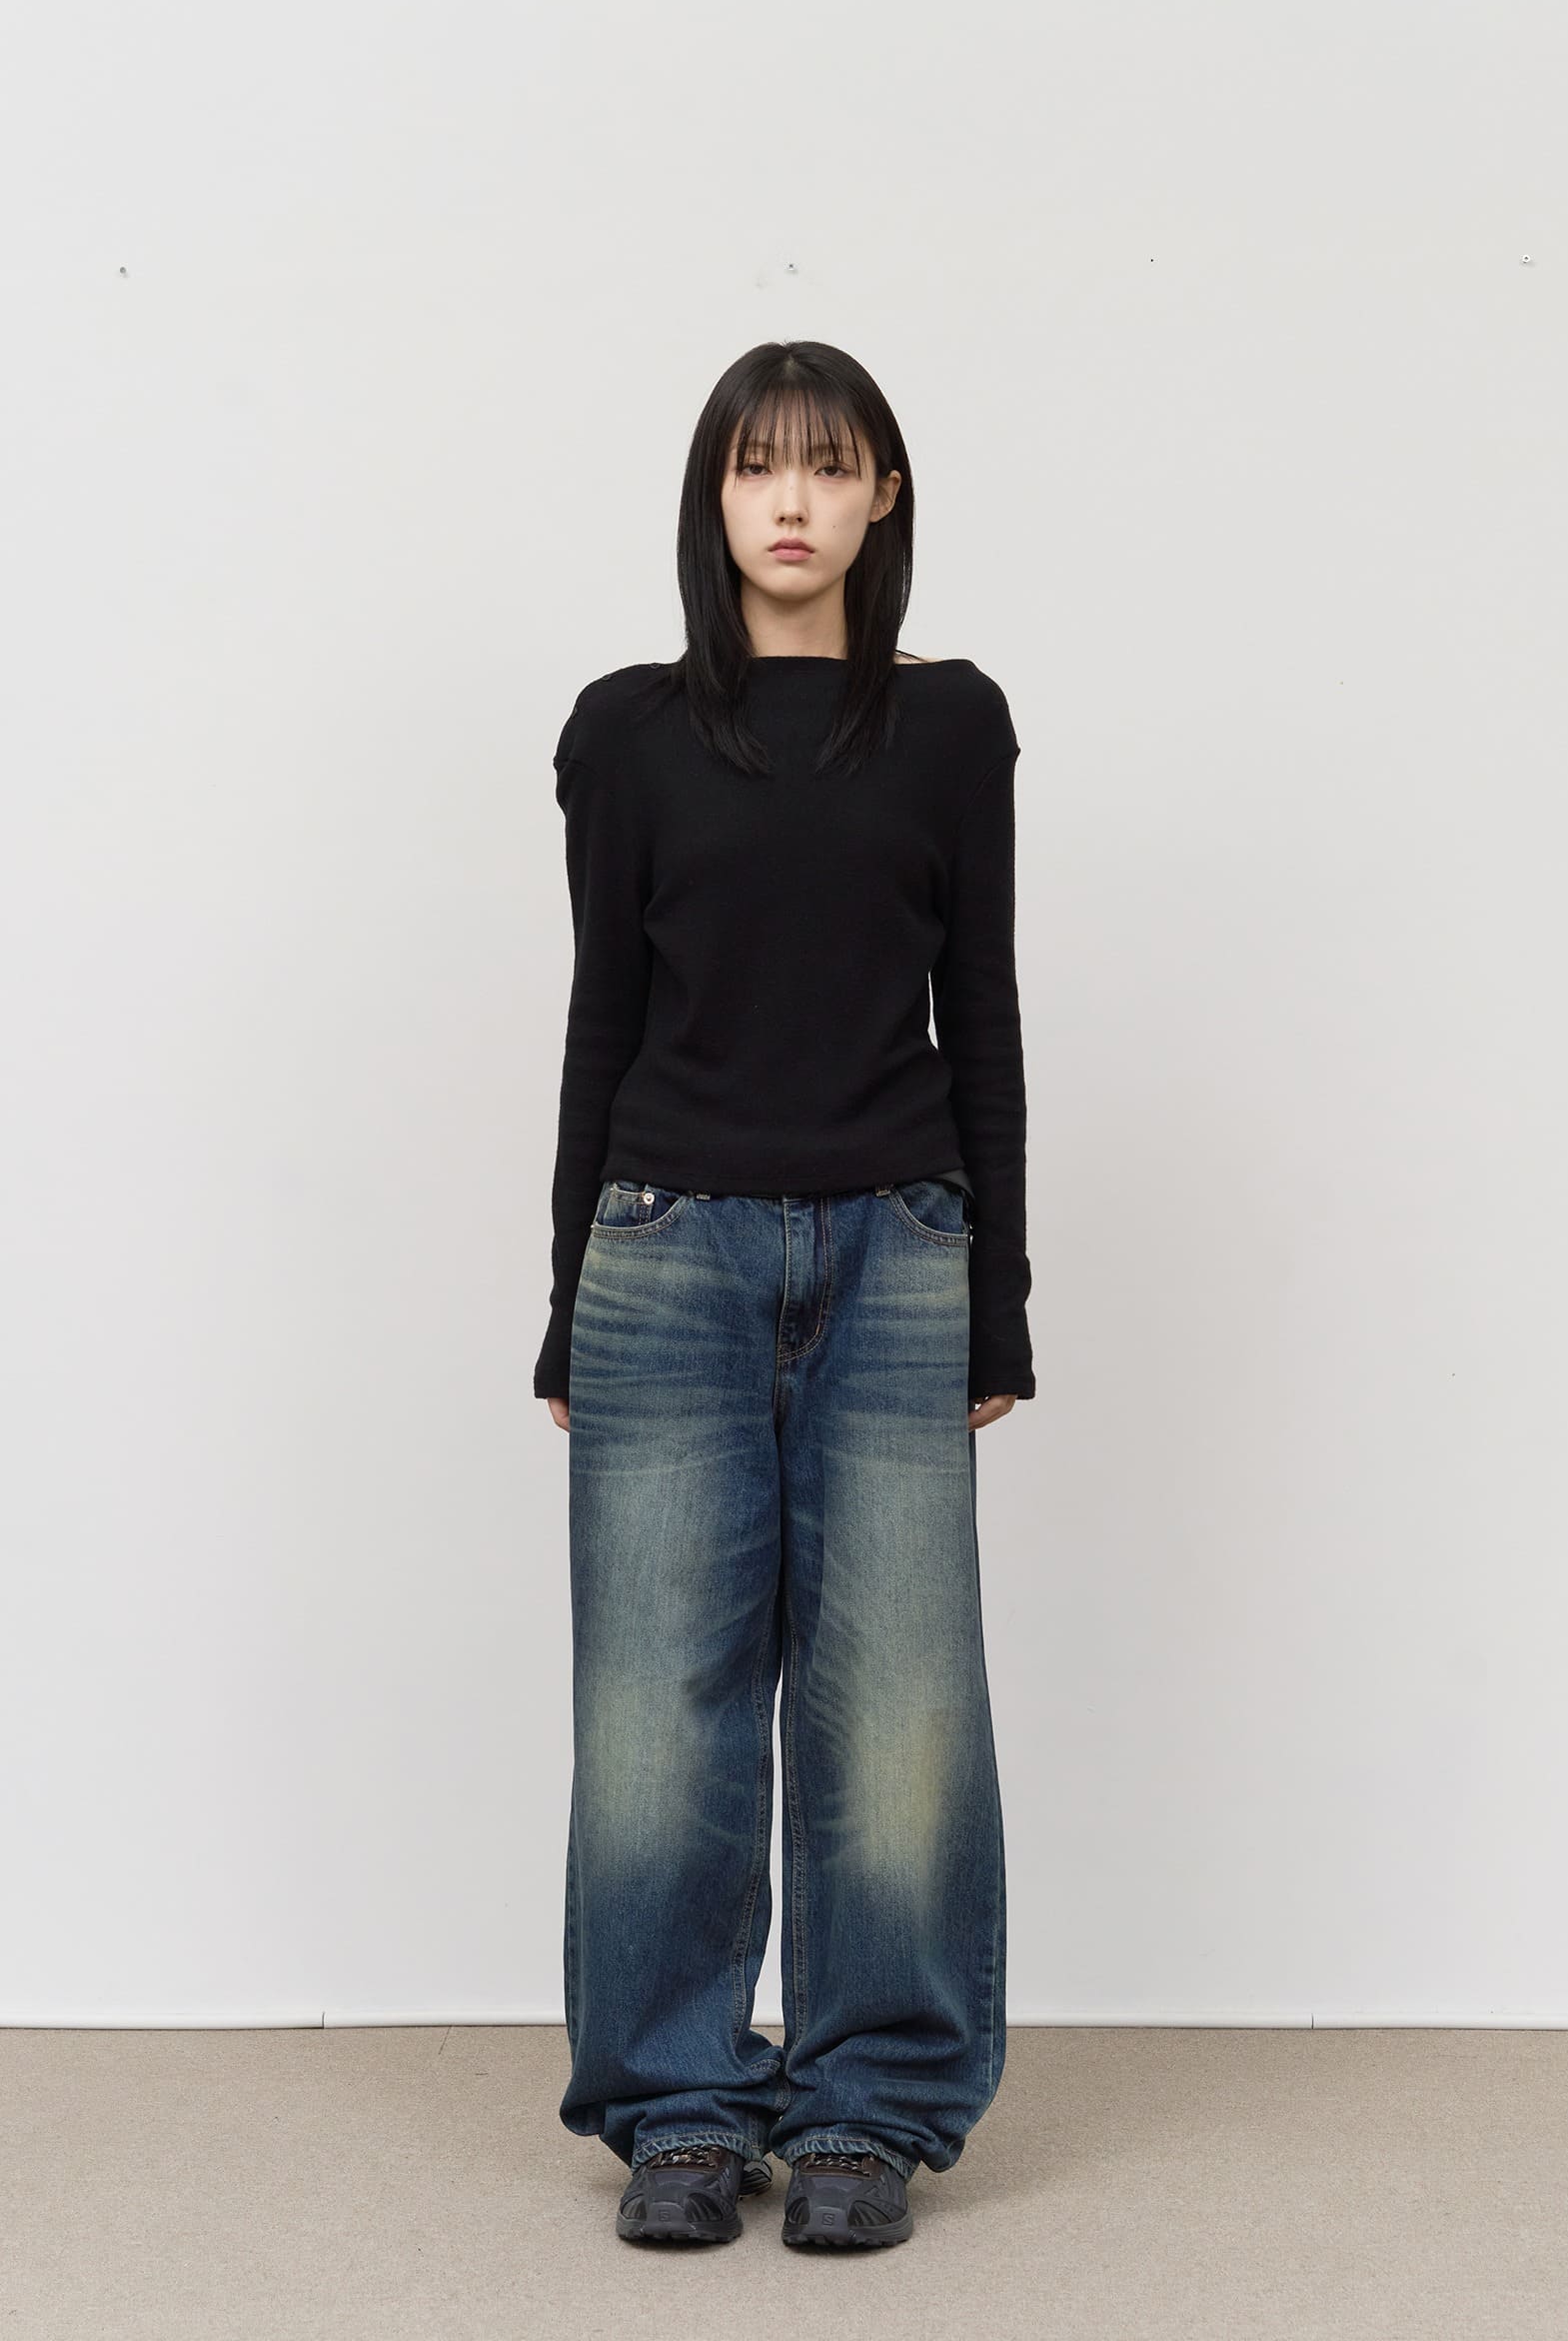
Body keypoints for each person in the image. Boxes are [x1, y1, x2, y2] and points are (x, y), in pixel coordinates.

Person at [533, 339, 1034, 2250]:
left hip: (899, 1250)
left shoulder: (952, 725)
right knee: (658, 1707)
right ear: (714, 495)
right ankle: (677, 2101)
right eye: (759, 467)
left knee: (897, 1704)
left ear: (885, 494)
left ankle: (866, 2111)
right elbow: (603, 1015)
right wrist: (566, 1294)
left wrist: (1000, 1298)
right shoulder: (630, 731)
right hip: (667, 1253)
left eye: (831, 466)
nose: (794, 501)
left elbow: (981, 1012)